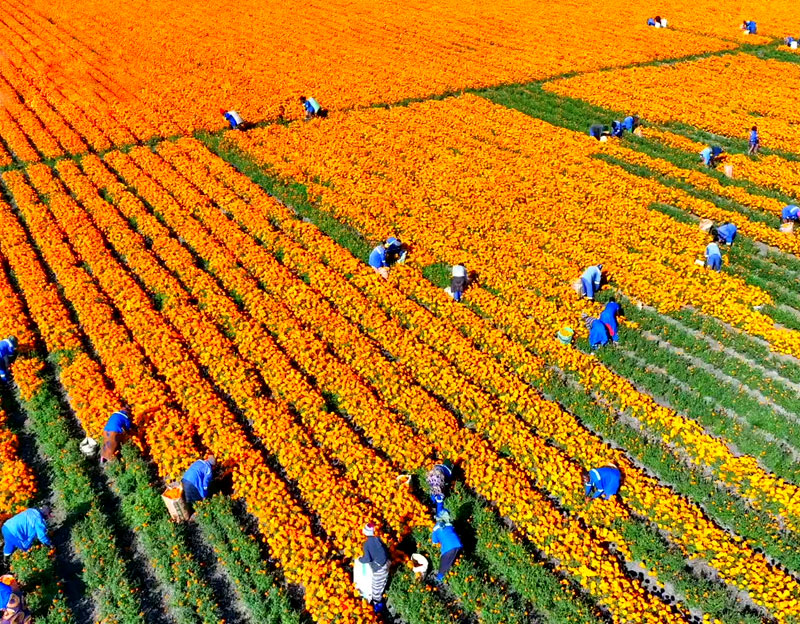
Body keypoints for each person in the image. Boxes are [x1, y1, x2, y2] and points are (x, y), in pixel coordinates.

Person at [358, 523, 389, 613]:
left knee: (376, 586)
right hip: (386, 561)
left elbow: (367, 558)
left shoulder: (367, 544)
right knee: (382, 580)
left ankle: (378, 605)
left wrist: (360, 559)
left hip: (380, 567)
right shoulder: (377, 538)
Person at [431, 511, 462, 582]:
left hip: (448, 548)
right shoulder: (450, 525)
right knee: (454, 558)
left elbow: (434, 542)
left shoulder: (435, 529)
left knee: (443, 564)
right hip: (458, 544)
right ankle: (453, 569)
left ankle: (439, 578)